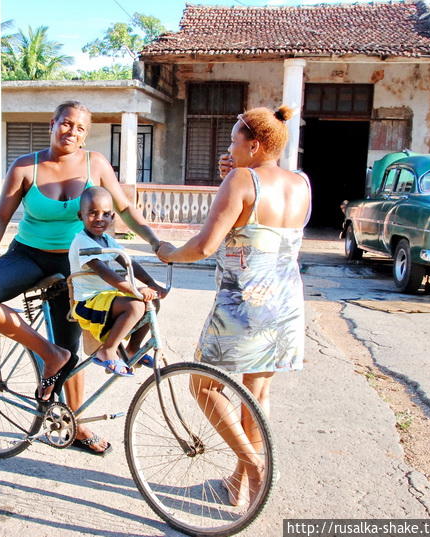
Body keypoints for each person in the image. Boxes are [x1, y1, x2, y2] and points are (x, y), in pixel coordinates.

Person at [0, 101, 161, 455]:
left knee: (75, 346)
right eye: (66, 124)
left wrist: (157, 242)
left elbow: (126, 209)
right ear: (53, 124)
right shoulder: (26, 166)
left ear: (86, 132)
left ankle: (77, 424)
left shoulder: (95, 164)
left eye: (80, 128)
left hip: (76, 264)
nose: (72, 132)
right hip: (28, 255)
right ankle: (46, 353)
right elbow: (0, 217)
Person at [156, 105, 310, 506]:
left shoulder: (242, 179)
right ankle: (240, 482)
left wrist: (169, 253)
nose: (228, 147)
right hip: (285, 303)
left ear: (254, 144)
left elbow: (206, 245)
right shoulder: (301, 182)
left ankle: (254, 466)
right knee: (256, 393)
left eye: (233, 140)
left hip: (244, 304)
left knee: (201, 383)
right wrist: (235, 172)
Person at [69, 186, 167, 378]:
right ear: (81, 215)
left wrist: (150, 282)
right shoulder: (82, 242)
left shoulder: (106, 239)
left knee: (152, 303)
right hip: (87, 303)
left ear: (112, 217)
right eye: (92, 213)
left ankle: (132, 350)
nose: (99, 218)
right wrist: (134, 289)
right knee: (135, 307)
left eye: (106, 214)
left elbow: (128, 261)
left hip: (105, 298)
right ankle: (108, 349)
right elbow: (106, 273)